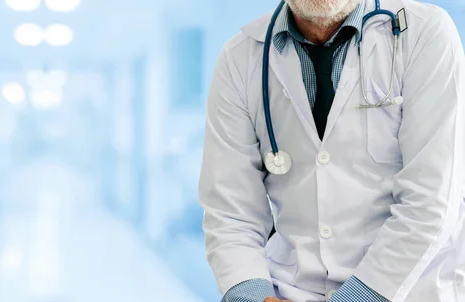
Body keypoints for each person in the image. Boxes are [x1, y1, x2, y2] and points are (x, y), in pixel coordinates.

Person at [198, 0, 465, 301]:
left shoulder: (423, 33)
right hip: (288, 291)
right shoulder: (240, 58)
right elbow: (230, 211)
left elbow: (431, 200)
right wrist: (255, 296)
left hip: (405, 290)